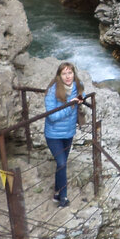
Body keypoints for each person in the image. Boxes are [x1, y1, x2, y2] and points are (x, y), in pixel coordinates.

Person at [43, 61, 83, 207]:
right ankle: (63, 198)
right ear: (59, 75)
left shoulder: (77, 86)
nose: (67, 76)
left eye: (70, 73)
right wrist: (70, 106)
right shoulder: (52, 91)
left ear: (74, 74)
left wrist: (80, 99)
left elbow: (81, 94)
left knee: (62, 165)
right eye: (64, 73)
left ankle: (57, 193)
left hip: (69, 133)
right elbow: (52, 116)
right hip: (53, 134)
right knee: (61, 163)